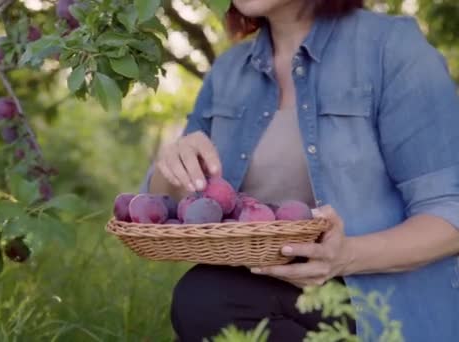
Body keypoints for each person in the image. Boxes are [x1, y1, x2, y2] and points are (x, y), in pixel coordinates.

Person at [138, 0, 459, 341]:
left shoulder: (391, 47)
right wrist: (174, 162)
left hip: (376, 302)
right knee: (205, 299)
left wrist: (347, 256)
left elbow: (450, 213)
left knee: (208, 300)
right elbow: (162, 203)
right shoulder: (229, 71)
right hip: (266, 293)